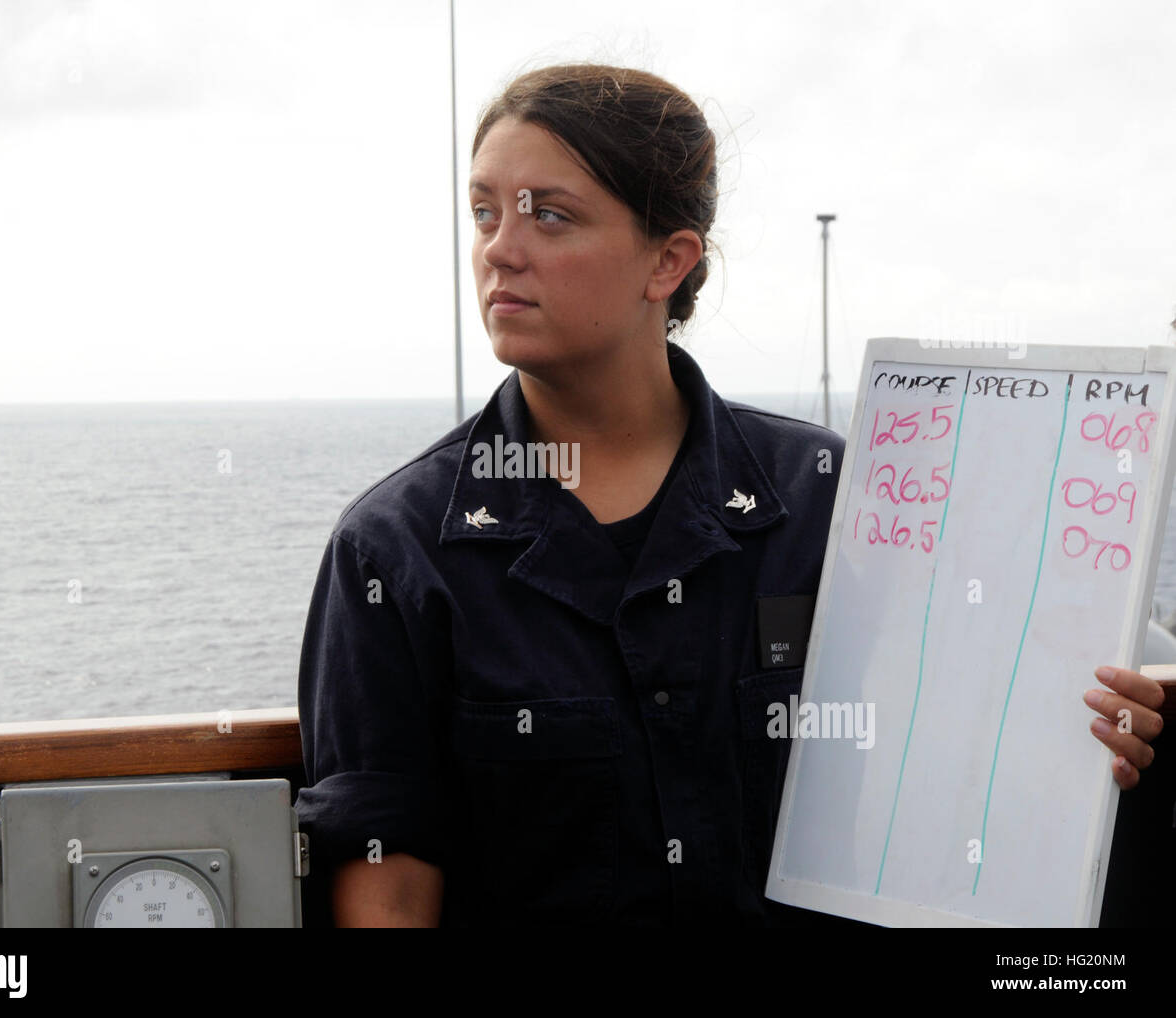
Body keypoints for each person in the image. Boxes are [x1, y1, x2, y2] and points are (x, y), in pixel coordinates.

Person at [294, 63, 1165, 927]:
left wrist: (1079, 740)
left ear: (668, 260)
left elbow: (959, 740)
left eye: (548, 217)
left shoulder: (829, 502)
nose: (499, 248)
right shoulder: (395, 553)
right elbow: (388, 881)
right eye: (484, 211)